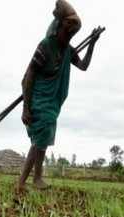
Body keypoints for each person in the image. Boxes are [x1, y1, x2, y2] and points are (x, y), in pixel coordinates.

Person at [18, 0, 101, 192]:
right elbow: (28, 77)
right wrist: (26, 107)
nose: (69, 36)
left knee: (43, 139)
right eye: (67, 32)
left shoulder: (68, 50)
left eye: (72, 34)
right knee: (41, 137)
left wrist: (92, 43)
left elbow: (83, 66)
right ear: (59, 28)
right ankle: (22, 183)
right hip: (38, 99)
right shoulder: (45, 46)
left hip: (52, 103)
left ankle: (36, 178)